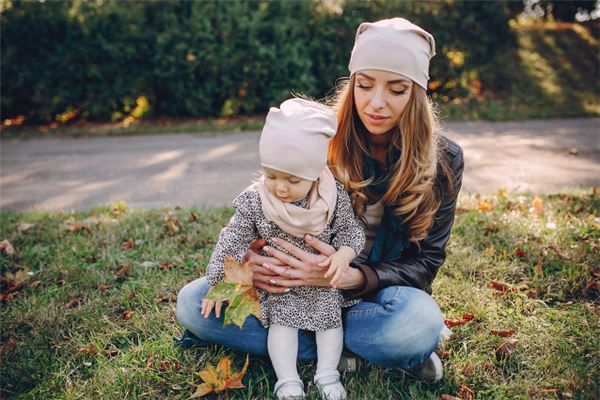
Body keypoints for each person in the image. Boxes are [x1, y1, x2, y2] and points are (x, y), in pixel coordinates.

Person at [177, 16, 464, 388]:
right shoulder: (317, 136)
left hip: (374, 297)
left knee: (415, 323)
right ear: (352, 84)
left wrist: (352, 276)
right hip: (296, 295)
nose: (376, 103)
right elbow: (264, 207)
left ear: (417, 94)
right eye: (364, 85)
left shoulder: (443, 159)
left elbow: (425, 262)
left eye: (396, 89)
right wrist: (253, 263)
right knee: (192, 303)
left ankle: (351, 346)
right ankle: (357, 353)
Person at [199, 98, 365, 400]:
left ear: (315, 173)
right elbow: (232, 237)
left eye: (292, 179)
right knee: (282, 327)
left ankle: (327, 373)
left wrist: (344, 254)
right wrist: (216, 281)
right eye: (272, 175)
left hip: (321, 283)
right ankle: (287, 380)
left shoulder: (332, 196)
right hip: (279, 286)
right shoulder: (256, 199)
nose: (280, 187)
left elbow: (350, 230)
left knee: (330, 326)